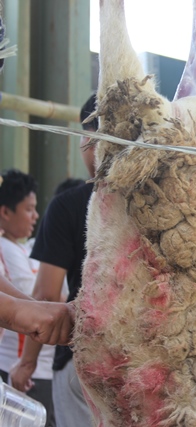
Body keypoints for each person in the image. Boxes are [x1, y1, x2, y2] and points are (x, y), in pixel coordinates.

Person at [10, 94, 97, 427]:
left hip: (84, 359)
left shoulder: (69, 206)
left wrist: (27, 363)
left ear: (93, 138)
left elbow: (46, 295)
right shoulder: (167, 207)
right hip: (155, 362)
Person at [0, 169, 58, 426]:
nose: (35, 216)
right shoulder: (6, 249)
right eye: (29, 209)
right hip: (18, 363)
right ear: (5, 212)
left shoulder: (21, 248)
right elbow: (19, 305)